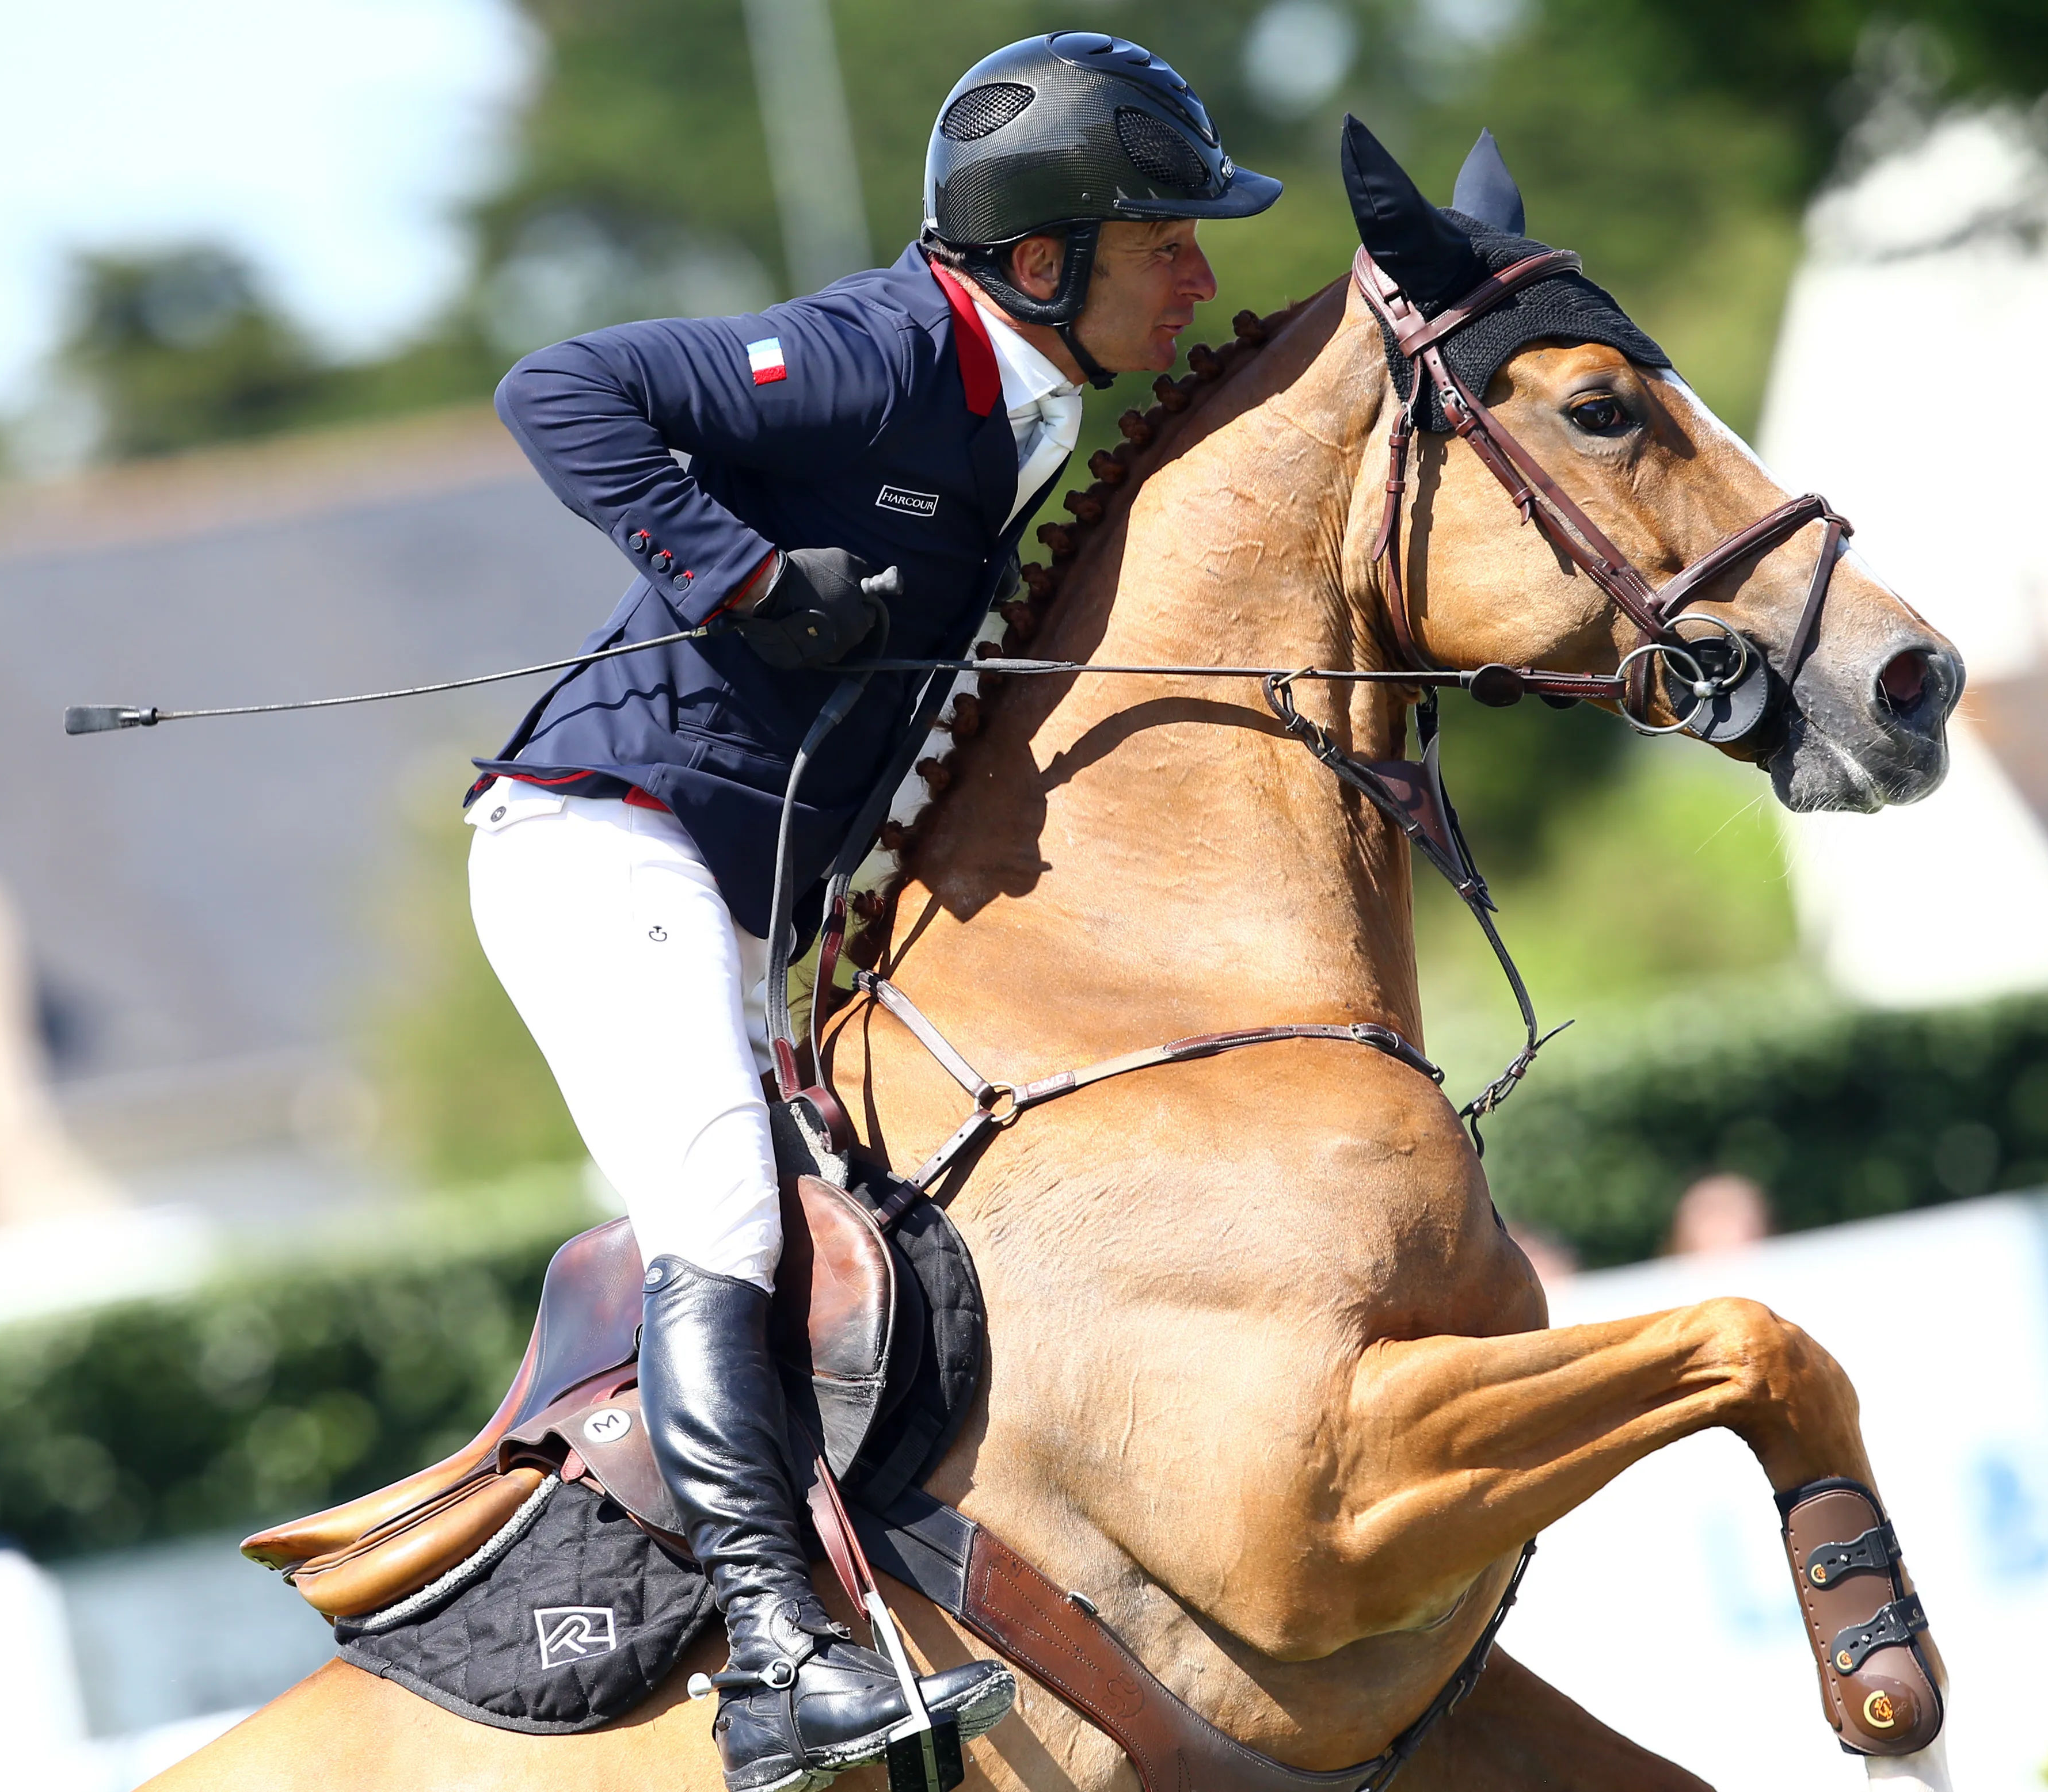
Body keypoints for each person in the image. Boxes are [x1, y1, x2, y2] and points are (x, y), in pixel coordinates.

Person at [464, 33, 1280, 1792]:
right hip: (601, 841)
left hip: (733, 889)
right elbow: (559, 387)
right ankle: (774, 1663)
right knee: (724, 1224)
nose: (1199, 278)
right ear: (1041, 258)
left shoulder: (1026, 404)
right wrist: (745, 579)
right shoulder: (878, 351)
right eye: (1166, 244)